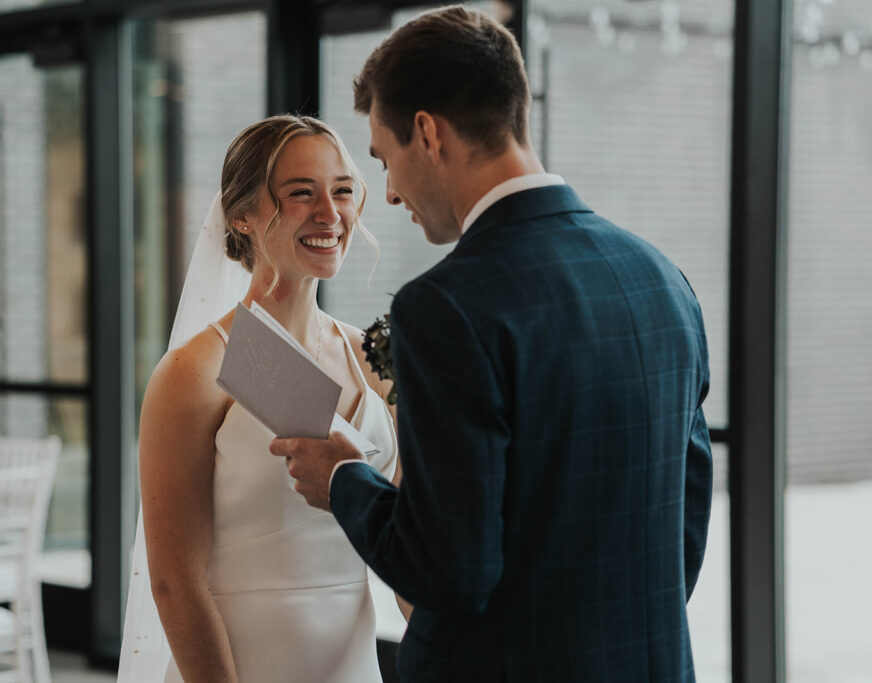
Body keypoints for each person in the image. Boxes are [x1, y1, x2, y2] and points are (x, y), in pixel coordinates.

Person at [272, 6, 713, 682]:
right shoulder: (661, 278)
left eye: (384, 161)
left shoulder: (446, 305)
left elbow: (450, 569)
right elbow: (682, 529)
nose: (387, 193)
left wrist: (342, 477)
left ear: (428, 133)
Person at [117, 115, 400, 683]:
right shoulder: (195, 371)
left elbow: (411, 536)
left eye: (342, 189)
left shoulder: (375, 358)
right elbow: (175, 582)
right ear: (242, 215)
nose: (330, 213)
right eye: (301, 193)